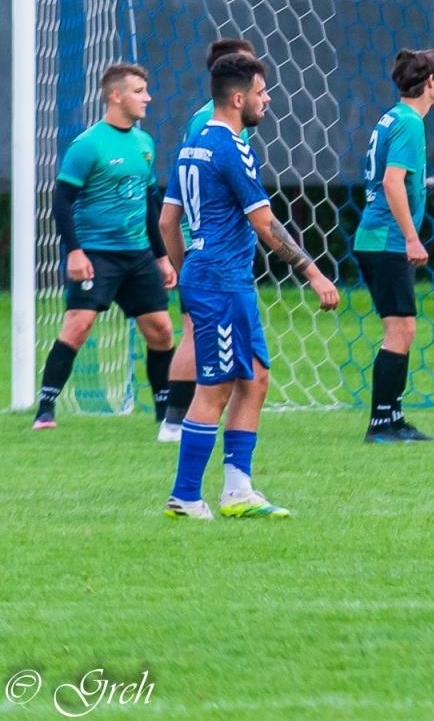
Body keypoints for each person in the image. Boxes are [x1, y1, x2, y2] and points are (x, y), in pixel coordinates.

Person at [159, 53, 340, 519]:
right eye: (262, 93)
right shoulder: (232, 148)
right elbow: (265, 224)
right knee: (216, 388)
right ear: (238, 99)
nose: (268, 99)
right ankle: (184, 496)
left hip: (219, 279)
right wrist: (314, 272)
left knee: (255, 378)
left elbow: (167, 221)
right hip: (221, 281)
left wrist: (188, 271)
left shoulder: (192, 144)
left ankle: (238, 491)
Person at [32, 64, 176, 431]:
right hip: (96, 253)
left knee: (160, 330)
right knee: (78, 326)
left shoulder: (144, 143)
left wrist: (161, 257)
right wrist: (75, 252)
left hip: (138, 254)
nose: (148, 97)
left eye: (146, 90)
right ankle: (45, 409)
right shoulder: (88, 145)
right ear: (115, 96)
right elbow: (62, 202)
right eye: (139, 91)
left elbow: (148, 205)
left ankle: (166, 414)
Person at [159, 38, 258, 442]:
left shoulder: (212, 121)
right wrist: (187, 266)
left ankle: (181, 419)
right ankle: (175, 418)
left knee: (236, 360)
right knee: (193, 328)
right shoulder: (212, 126)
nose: (261, 88)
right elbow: (182, 205)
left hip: (206, 246)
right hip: (204, 245)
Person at [355, 49, 434, 443]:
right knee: (400, 330)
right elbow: (392, 182)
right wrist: (411, 237)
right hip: (387, 239)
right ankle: (382, 424)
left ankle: (392, 419)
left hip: (377, 237)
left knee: (402, 328)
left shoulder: (393, 117)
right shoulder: (409, 123)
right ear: (430, 82)